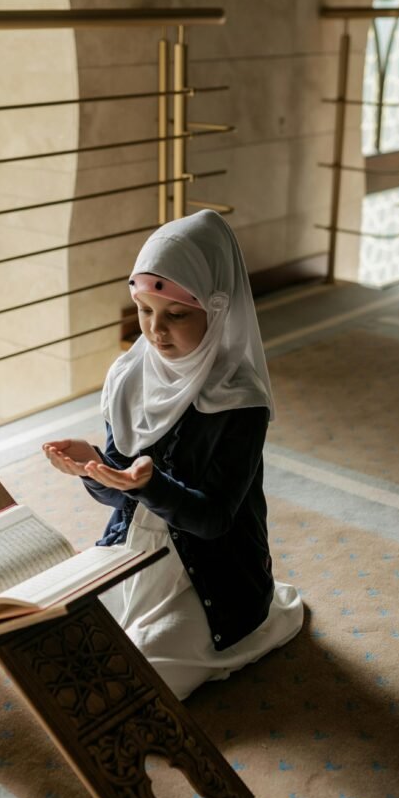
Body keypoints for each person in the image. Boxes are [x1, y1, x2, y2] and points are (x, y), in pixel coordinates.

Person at [42, 209, 303, 700]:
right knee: (59, 633)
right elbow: (123, 498)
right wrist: (94, 466)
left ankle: (254, 619)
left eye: (176, 315)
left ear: (217, 309)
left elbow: (212, 520)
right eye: (144, 311)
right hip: (134, 551)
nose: (155, 331)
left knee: (135, 678)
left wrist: (149, 485)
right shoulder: (131, 376)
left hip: (210, 576)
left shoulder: (239, 401)